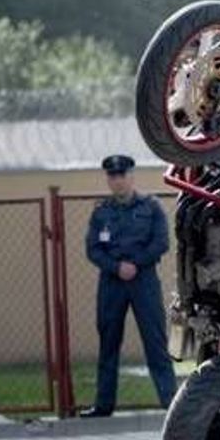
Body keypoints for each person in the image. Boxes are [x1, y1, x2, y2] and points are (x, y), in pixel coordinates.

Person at [81, 155, 176, 417]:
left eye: (122, 175)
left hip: (143, 281)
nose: (117, 181)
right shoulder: (101, 212)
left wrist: (135, 263)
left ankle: (171, 404)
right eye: (112, 176)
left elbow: (161, 242)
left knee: (155, 343)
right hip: (112, 284)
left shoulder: (151, 207)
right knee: (108, 343)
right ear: (108, 180)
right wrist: (116, 267)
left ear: (132, 176)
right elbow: (93, 249)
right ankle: (103, 406)